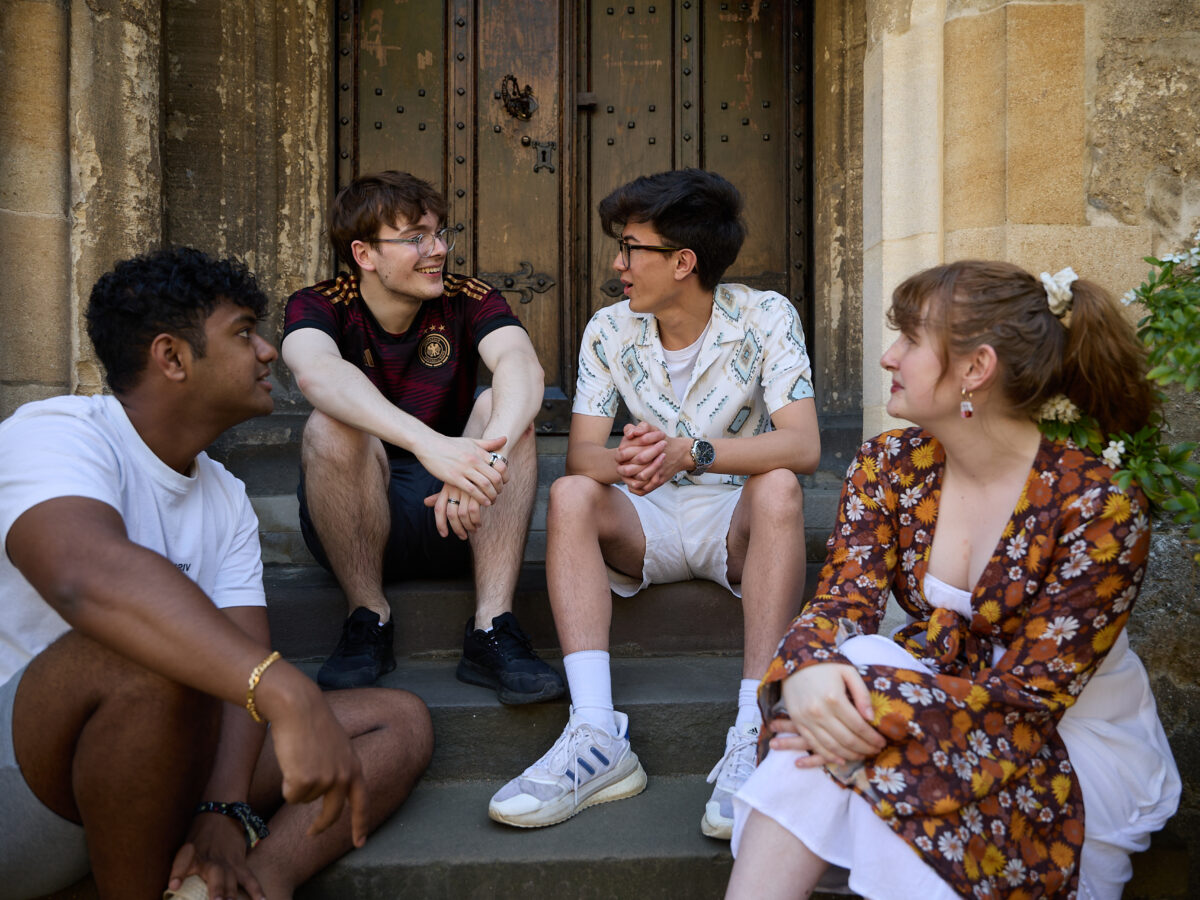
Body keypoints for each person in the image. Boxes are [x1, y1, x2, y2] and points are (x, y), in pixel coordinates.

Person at [727, 260, 1181, 899]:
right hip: (933, 696)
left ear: (976, 368)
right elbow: (839, 603)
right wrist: (805, 670)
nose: (888, 356)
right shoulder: (891, 465)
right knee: (842, 673)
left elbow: (1031, 700)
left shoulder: (1095, 504)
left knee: (846, 709)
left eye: (910, 339)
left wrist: (870, 702)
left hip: (1062, 742)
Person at [0, 247, 432, 899]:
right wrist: (285, 689)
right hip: (24, 785)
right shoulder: (58, 433)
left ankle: (249, 884)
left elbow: (245, 663)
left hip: (165, 763)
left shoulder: (225, 495)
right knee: (142, 658)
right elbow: (80, 574)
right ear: (172, 357)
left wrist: (225, 808)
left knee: (396, 723)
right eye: (243, 333)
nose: (267, 352)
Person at [488, 169, 820, 838]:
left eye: (631, 247)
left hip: (737, 522)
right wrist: (633, 460)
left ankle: (753, 724)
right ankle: (595, 733)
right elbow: (584, 455)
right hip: (648, 516)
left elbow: (803, 444)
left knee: (781, 484)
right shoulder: (609, 330)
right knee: (573, 493)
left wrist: (687, 451)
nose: (618, 264)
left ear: (682, 261)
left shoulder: (765, 316)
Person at [281, 171, 564, 700]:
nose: (436, 251)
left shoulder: (467, 297)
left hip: (459, 514)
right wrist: (429, 444)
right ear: (364, 254)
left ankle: (492, 627)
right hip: (357, 522)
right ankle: (368, 617)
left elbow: (520, 364)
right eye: (415, 238)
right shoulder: (320, 303)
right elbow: (317, 372)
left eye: (438, 234)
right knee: (330, 422)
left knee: (506, 410)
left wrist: (484, 463)